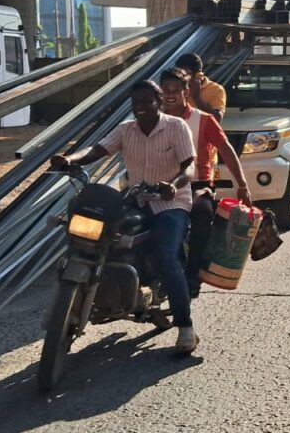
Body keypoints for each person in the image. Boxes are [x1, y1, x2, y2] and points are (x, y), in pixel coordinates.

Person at [49, 80, 201, 353]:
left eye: (147, 101)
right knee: (100, 237)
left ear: (159, 101)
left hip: (171, 203)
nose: (140, 107)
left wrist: (173, 185)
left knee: (167, 256)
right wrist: (70, 159)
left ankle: (186, 328)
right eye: (136, 102)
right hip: (136, 200)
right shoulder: (125, 130)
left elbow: (190, 167)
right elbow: (97, 150)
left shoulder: (175, 127)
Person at [158, 68, 252, 298]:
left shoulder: (204, 120)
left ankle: (192, 276)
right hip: (157, 185)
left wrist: (242, 184)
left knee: (201, 215)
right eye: (165, 90)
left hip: (196, 184)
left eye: (176, 91)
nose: (170, 96)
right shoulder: (152, 117)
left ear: (186, 92)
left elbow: (226, 150)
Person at [175, 53, 227, 121]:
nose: (182, 77)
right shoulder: (177, 87)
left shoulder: (216, 90)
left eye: (186, 73)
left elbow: (217, 118)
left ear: (198, 75)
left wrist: (197, 98)